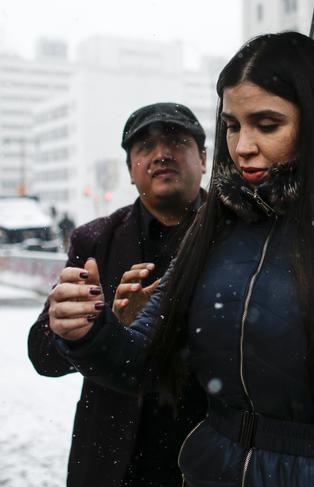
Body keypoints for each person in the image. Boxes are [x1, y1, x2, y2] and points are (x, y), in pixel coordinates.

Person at [45, 32, 314, 486]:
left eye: (267, 124)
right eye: (233, 125)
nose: (242, 147)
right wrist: (88, 335)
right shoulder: (215, 224)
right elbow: (142, 361)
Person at [28, 102, 208, 487]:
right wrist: (97, 327)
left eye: (176, 140)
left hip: (205, 454)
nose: (161, 154)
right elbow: (42, 354)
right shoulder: (94, 240)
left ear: (204, 158)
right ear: (129, 170)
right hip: (110, 458)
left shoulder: (237, 234)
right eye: (144, 146)